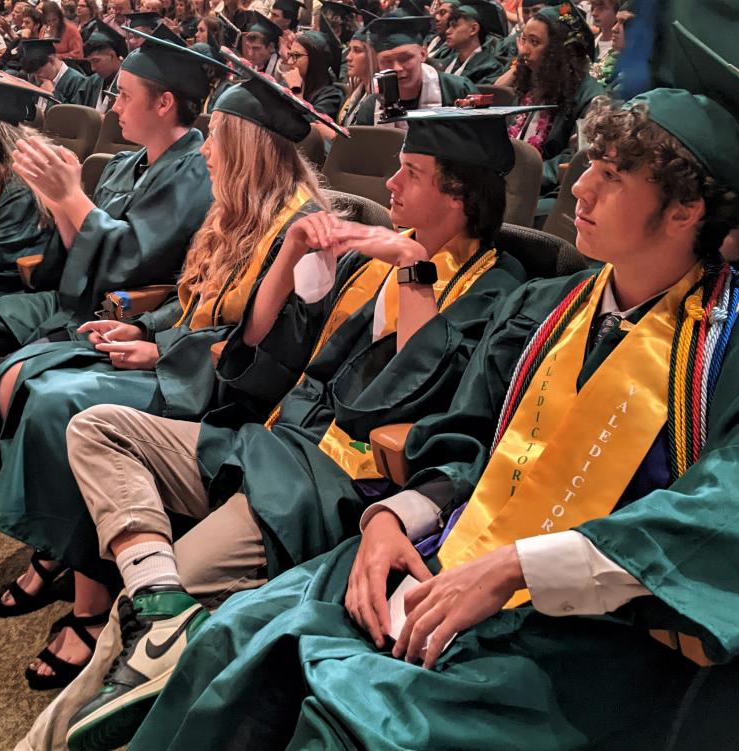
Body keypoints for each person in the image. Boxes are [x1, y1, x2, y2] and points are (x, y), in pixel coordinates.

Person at [129, 69, 739, 751]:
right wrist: (389, 518)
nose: (577, 182)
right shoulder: (545, 306)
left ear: (687, 208)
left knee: (351, 720)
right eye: (589, 162)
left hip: (584, 637)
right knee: (239, 635)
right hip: (450, 557)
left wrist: (518, 568)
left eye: (613, 175)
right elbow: (466, 442)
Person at [0, 66, 343, 689]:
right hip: (150, 336)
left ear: (246, 147)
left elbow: (264, 354)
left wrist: (159, 345)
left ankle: (84, 596)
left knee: (46, 398)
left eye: (219, 138)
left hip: (214, 389)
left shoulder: (302, 230)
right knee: (9, 378)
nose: (206, 146)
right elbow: (187, 295)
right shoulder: (231, 209)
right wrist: (150, 332)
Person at [53, 105, 534, 751]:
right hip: (269, 440)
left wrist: (415, 268)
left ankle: (54, 736)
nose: (389, 186)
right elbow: (271, 358)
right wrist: (294, 255)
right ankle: (159, 598)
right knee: (99, 427)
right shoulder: (373, 263)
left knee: (143, 606)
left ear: (461, 196)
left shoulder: (500, 294)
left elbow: (406, 400)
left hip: (330, 480)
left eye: (411, 173)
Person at [494, 3, 601, 209]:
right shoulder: (532, 84)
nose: (524, 50)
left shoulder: (590, 97)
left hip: (545, 192)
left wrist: (524, 174)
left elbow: (576, 159)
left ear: (558, 51)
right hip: (508, 181)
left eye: (535, 42)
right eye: (523, 40)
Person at [349, 14, 477, 126]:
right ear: (378, 63)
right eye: (387, 61)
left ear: (422, 54)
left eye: (405, 58)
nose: (397, 68)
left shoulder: (458, 91)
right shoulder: (372, 107)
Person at [280, 30, 345, 121]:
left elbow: (307, 126)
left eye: (297, 56)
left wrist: (296, 93)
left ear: (315, 60)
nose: (290, 62)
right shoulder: (286, 84)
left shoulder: (331, 96)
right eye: (290, 55)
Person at [438, 4, 505, 84]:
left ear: (473, 29)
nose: (447, 31)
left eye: (454, 26)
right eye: (449, 26)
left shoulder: (490, 68)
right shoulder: (448, 61)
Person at [19, 38, 88, 103]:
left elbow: (76, 114)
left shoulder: (77, 82)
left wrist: (53, 94)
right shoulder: (34, 79)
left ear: (51, 60)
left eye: (39, 72)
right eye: (33, 73)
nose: (37, 78)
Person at [80, 18, 126, 112]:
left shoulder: (128, 84)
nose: (93, 68)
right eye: (90, 62)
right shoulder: (92, 82)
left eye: (96, 61)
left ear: (112, 55)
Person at [236, 11, 280, 76]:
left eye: (256, 48)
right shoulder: (254, 65)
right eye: (248, 47)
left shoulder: (279, 70)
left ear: (271, 47)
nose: (250, 54)